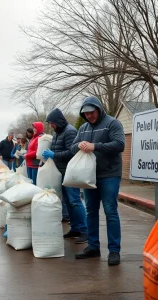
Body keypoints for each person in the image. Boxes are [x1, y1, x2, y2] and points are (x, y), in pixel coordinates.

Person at [70, 96, 125, 266]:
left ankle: (114, 251)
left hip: (109, 175)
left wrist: (95, 146)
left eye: (91, 112)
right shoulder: (84, 128)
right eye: (85, 113)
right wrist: (78, 146)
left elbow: (119, 145)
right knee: (91, 211)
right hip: (90, 177)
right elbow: (72, 147)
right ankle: (93, 247)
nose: (89, 116)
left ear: (99, 109)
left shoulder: (112, 123)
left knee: (110, 211)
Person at [42, 108, 87, 244]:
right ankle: (75, 228)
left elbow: (72, 152)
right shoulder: (58, 133)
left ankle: (85, 231)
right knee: (67, 202)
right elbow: (58, 149)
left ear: (58, 121)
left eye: (52, 123)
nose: (51, 126)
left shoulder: (70, 131)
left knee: (75, 201)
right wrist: (51, 153)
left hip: (70, 173)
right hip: (61, 172)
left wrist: (54, 155)